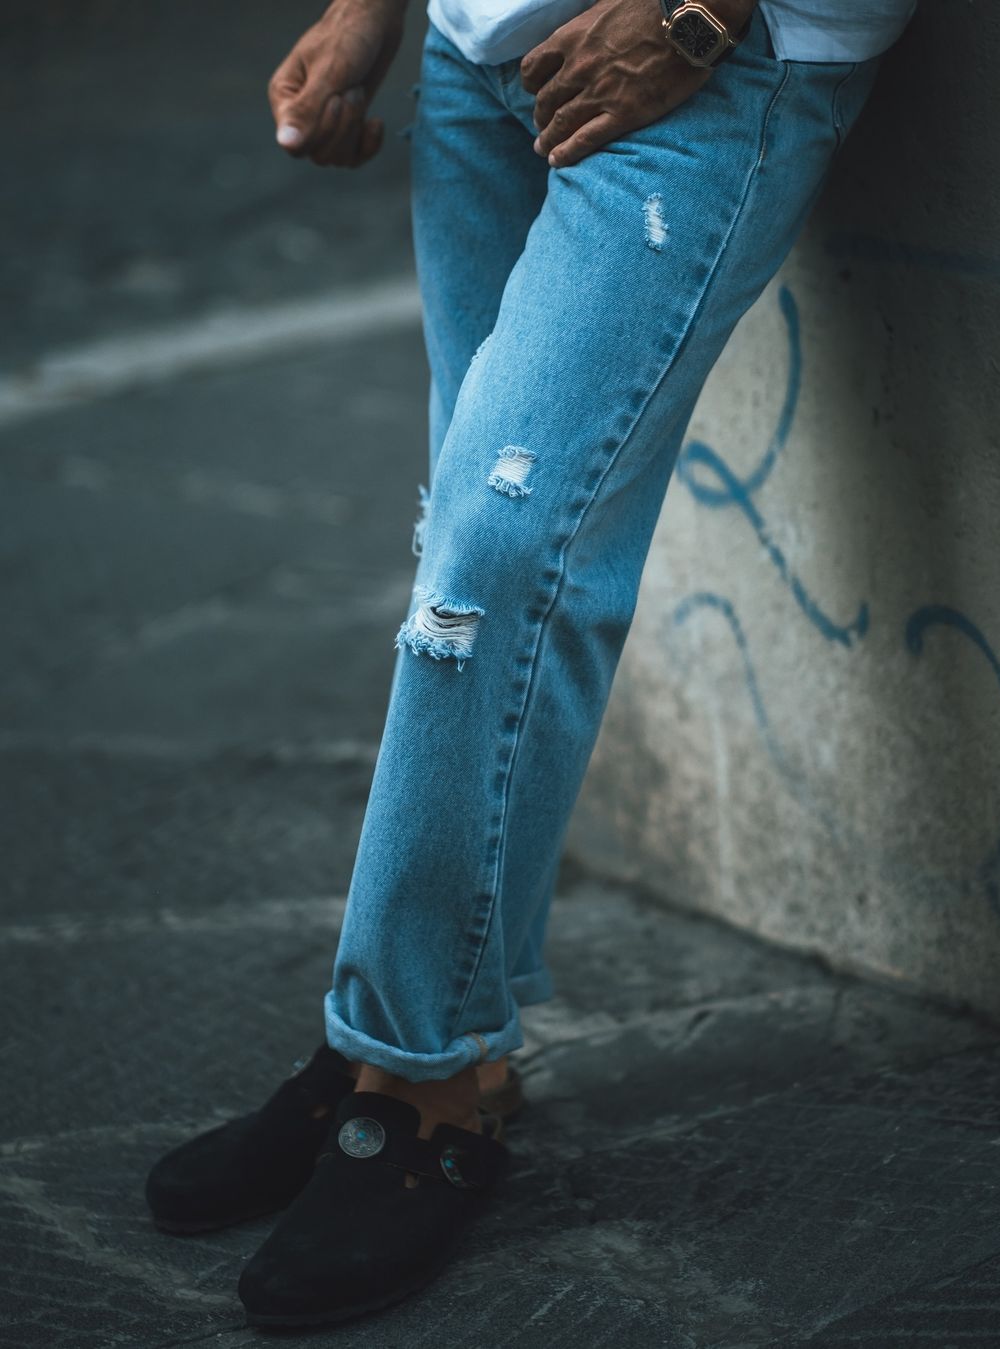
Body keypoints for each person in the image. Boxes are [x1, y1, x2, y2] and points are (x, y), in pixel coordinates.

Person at [145, 0, 916, 1328]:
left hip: (699, 67)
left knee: (495, 562)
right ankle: (445, 1048)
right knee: (468, 542)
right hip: (477, 50)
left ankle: (414, 1066)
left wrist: (698, 13)